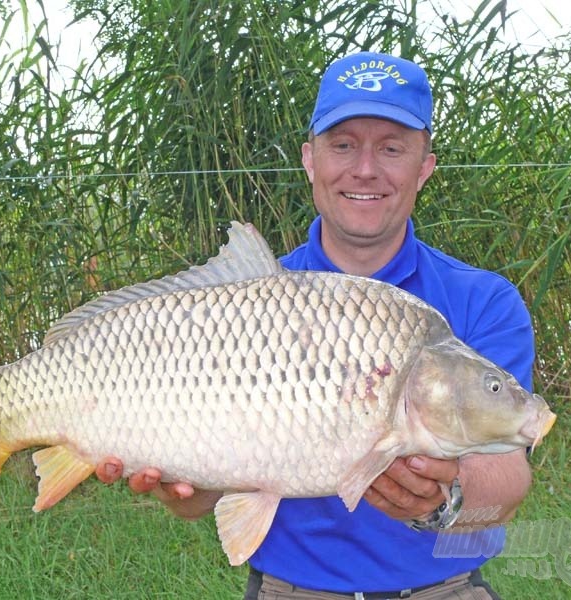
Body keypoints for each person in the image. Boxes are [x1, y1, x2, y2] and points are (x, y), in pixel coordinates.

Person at [97, 51, 536, 599]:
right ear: (310, 159)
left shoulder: (483, 302)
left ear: (425, 166)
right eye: (344, 144)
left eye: (392, 148)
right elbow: (206, 494)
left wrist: (444, 499)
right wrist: (186, 488)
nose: (365, 169)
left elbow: (508, 481)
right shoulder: (235, 306)